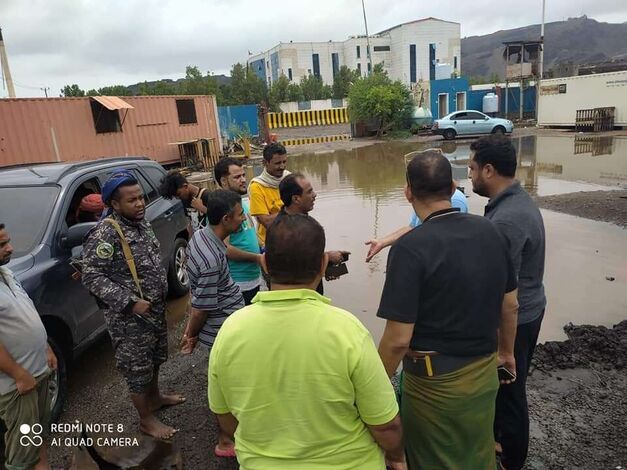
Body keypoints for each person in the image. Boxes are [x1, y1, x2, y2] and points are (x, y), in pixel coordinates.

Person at [209, 214, 406, 469]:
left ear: (265, 264)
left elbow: (226, 419)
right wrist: (395, 455)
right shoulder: (346, 330)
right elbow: (385, 424)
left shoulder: (230, 330)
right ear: (323, 265)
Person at [376, 149, 519, 470]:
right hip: (483, 372)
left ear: (408, 192)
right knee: (477, 450)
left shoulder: (409, 249)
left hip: (434, 386)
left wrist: (374, 384)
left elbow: (398, 339)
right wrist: (506, 353)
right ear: (453, 189)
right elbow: (510, 305)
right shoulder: (491, 231)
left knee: (433, 458)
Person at [82, 170, 184, 440]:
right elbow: (91, 276)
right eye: (131, 200)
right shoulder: (106, 233)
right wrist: (129, 303)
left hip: (153, 309)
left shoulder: (141, 223)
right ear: (114, 204)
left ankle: (156, 397)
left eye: (140, 198)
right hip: (130, 319)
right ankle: (146, 420)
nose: (139, 204)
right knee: (137, 368)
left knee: (155, 358)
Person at [469, 135, 546, 470]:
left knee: (511, 390)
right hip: (530, 308)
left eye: (472, 168)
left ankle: (512, 460)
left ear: (488, 170)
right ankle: (502, 444)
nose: (469, 176)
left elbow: (505, 296)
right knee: (507, 389)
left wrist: (504, 349)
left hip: (516, 318)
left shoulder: (506, 221)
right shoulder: (515, 203)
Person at [180, 189, 246, 458]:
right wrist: (191, 335)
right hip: (221, 329)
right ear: (227, 218)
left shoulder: (202, 236)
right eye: (240, 215)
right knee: (228, 383)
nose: (243, 220)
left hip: (223, 320)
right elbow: (201, 308)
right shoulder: (209, 259)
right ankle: (226, 440)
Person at [0, 223, 57, 470]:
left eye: (7, 241)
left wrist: (46, 348)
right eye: (1, 245)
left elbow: (28, 312)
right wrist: (19, 375)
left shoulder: (6, 274)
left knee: (38, 436)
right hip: (17, 385)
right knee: (21, 457)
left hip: (37, 372)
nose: (10, 248)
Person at [364, 149, 468, 262]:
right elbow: (413, 227)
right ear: (453, 186)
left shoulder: (456, 200)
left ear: (408, 193)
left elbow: (447, 242)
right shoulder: (486, 228)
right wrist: (383, 242)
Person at [277, 173, 349, 294]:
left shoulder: (297, 221)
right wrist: (327, 257)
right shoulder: (286, 230)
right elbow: (294, 264)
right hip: (299, 295)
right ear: (296, 199)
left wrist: (326, 264)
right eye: (309, 192)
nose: (315, 195)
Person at [214, 157, 263, 305]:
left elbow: (251, 233)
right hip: (238, 285)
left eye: (243, 175)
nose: (243, 180)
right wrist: (257, 258)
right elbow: (224, 249)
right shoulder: (222, 209)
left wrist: (263, 247)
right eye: (237, 177)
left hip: (253, 279)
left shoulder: (240, 204)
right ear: (223, 181)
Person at [248, 142, 289, 247]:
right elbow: (266, 222)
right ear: (265, 163)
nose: (282, 166)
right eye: (277, 163)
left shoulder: (290, 179)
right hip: (271, 244)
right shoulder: (257, 187)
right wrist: (291, 210)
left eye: (284, 162)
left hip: (292, 239)